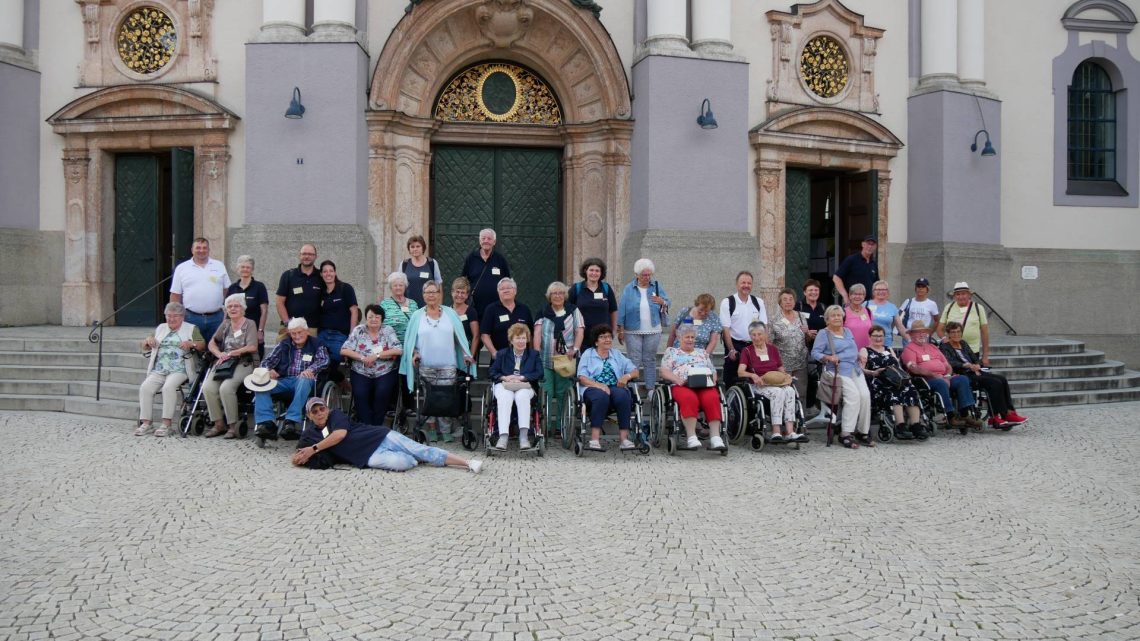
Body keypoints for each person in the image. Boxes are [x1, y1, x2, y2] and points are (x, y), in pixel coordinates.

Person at [292, 397, 482, 473]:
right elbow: (298, 453)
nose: (319, 413)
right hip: (366, 456)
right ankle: (416, 458)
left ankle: (467, 463)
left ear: (327, 408)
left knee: (420, 449)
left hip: (379, 436)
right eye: (314, 411)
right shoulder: (310, 434)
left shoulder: (336, 416)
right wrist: (299, 458)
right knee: (403, 464)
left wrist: (314, 449)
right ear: (308, 415)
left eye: (321, 408)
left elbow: (339, 435)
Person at [400, 281, 476, 442]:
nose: (431, 295)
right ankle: (432, 429)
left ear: (439, 294)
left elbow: (460, 338)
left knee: (446, 398)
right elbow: (411, 341)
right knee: (429, 398)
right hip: (426, 365)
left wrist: (466, 354)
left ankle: (446, 430)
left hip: (448, 364)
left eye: (434, 292)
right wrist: (414, 354)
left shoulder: (450, 314)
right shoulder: (417, 316)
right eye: (427, 292)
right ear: (423, 295)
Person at [250, 317, 330, 439]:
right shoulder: (284, 345)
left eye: (299, 332)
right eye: (293, 333)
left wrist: (310, 369)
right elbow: (266, 362)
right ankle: (266, 423)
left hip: (303, 381)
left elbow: (324, 360)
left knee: (304, 379)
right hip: (284, 380)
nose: (297, 336)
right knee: (261, 383)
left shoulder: (316, 344)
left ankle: (291, 421)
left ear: (306, 331)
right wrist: (268, 370)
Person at [940, 321, 1028, 428]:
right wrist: (968, 365)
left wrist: (977, 365)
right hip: (963, 374)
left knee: (1002, 379)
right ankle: (994, 417)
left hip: (976, 371)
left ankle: (1010, 413)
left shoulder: (963, 343)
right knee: (994, 383)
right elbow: (950, 362)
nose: (956, 334)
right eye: (953, 332)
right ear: (948, 334)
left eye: (958, 332)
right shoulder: (944, 347)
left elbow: (975, 358)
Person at [136, 302, 205, 437]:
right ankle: (146, 423)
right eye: (168, 316)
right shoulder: (161, 328)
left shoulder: (191, 328)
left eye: (175, 316)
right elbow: (145, 347)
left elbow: (202, 345)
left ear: (182, 317)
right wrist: (148, 341)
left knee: (169, 387)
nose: (171, 319)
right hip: (160, 368)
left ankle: (166, 425)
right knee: (145, 387)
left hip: (180, 368)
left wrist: (191, 343)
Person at [811, 305, 873, 449]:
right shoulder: (823, 333)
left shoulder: (848, 331)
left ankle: (862, 432)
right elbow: (815, 353)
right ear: (827, 319)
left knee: (865, 395)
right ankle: (845, 433)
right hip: (837, 370)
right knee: (854, 396)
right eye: (834, 316)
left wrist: (859, 355)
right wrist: (828, 357)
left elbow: (852, 349)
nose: (837, 318)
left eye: (839, 315)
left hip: (854, 368)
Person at [900, 321, 981, 429]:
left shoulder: (933, 347)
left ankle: (964, 414)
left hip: (943, 377)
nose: (921, 334)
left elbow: (947, 365)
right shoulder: (909, 349)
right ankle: (950, 416)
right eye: (917, 332)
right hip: (926, 380)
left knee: (963, 379)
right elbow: (913, 368)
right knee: (941, 383)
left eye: (923, 332)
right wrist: (933, 375)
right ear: (911, 334)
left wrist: (947, 375)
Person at [659, 324, 726, 450]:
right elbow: (664, 371)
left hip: (703, 384)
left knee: (712, 397)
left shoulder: (702, 353)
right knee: (689, 398)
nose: (690, 340)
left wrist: (712, 380)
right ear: (679, 338)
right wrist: (678, 380)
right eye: (687, 337)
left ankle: (716, 437)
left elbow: (713, 371)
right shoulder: (672, 352)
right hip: (682, 385)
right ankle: (691, 437)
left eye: (692, 337)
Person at [203, 293, 259, 439]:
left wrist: (234, 353)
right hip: (225, 361)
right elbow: (211, 343)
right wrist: (218, 354)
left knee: (226, 388)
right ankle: (218, 424)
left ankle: (232, 426)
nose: (233, 309)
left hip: (243, 361)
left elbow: (252, 346)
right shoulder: (226, 324)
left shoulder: (249, 323)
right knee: (207, 387)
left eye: (236, 306)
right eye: (229, 306)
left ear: (243, 308)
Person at [738, 322, 804, 443]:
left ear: (765, 334)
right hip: (759, 385)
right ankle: (776, 430)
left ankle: (790, 431)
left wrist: (786, 377)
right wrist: (752, 375)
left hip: (776, 381)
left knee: (789, 391)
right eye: (753, 335)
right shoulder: (747, 351)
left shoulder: (773, 349)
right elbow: (740, 372)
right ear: (750, 335)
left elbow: (780, 367)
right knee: (777, 392)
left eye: (760, 334)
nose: (757, 337)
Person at [577, 325, 640, 451]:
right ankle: (594, 439)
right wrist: (599, 385)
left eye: (609, 337)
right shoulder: (588, 354)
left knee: (623, 395)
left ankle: (624, 439)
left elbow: (635, 371)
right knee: (601, 396)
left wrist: (626, 376)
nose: (607, 339)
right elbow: (581, 377)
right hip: (592, 387)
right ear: (596, 341)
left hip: (614, 387)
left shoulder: (616, 354)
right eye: (602, 337)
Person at [533, 282, 584, 437]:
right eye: (554, 293)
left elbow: (579, 330)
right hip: (546, 359)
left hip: (565, 359)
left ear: (565, 295)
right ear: (549, 296)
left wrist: (575, 349)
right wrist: (535, 353)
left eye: (560, 293)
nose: (557, 296)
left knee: (563, 393)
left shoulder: (573, 310)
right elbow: (537, 333)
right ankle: (546, 426)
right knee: (546, 392)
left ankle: (561, 426)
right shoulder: (543, 311)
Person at [340, 304, 402, 427]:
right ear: (366, 318)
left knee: (382, 392)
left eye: (377, 317)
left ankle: (377, 425)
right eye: (370, 316)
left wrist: (377, 355)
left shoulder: (387, 330)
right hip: (361, 371)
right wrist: (362, 357)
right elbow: (344, 350)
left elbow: (398, 350)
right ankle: (366, 426)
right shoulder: (359, 330)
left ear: (382, 319)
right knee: (360, 393)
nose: (373, 319)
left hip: (384, 371)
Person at [861, 325, 926, 440]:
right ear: (869, 337)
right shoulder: (865, 350)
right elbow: (861, 369)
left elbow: (898, 365)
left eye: (880, 336)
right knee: (893, 391)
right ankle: (900, 426)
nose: (878, 338)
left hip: (895, 379)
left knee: (910, 389)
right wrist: (873, 372)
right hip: (878, 380)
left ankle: (915, 425)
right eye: (875, 336)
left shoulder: (888, 349)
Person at [489, 324, 544, 450]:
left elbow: (539, 373)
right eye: (518, 338)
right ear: (511, 340)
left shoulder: (533, 355)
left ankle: (523, 437)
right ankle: (503, 437)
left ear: (527, 339)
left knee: (522, 396)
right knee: (505, 396)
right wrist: (505, 377)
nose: (521, 341)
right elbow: (492, 372)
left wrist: (522, 377)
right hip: (505, 385)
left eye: (523, 338)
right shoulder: (502, 354)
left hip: (525, 385)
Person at [617, 258, 669, 390]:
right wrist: (620, 329)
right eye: (644, 275)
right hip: (632, 330)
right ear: (637, 275)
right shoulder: (629, 288)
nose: (647, 277)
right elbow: (622, 308)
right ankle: (633, 390)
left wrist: (662, 301)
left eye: (649, 274)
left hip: (653, 329)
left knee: (650, 359)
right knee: (633, 360)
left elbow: (668, 302)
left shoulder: (656, 286)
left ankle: (651, 389)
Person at [169, 237, 230, 344]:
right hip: (191, 318)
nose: (201, 250)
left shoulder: (219, 265)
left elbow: (227, 290)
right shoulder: (182, 268)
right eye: (198, 248)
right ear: (192, 250)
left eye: (204, 248)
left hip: (217, 318)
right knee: (194, 350)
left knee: (217, 348)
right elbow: (175, 295)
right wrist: (175, 316)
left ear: (209, 250)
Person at [720, 271, 767, 387]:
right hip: (735, 345)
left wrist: (764, 347)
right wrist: (731, 349)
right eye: (743, 283)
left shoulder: (758, 302)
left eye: (749, 283)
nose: (746, 285)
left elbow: (764, 327)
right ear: (737, 285)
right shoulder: (728, 302)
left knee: (754, 376)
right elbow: (726, 328)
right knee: (732, 377)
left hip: (753, 345)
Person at [460, 228, 511, 325]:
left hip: (496, 307)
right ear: (479, 241)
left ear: (494, 242)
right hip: (475, 307)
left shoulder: (500, 259)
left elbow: (507, 282)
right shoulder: (471, 258)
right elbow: (463, 280)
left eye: (489, 239)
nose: (486, 241)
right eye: (483, 238)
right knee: (476, 335)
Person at [769, 287, 811, 403]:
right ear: (780, 302)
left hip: (801, 363)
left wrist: (807, 332)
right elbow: (770, 344)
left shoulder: (801, 317)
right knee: (784, 394)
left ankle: (800, 419)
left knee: (801, 394)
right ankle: (786, 420)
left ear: (794, 301)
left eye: (791, 299)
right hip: (783, 365)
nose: (788, 302)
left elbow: (806, 339)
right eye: (785, 299)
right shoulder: (774, 320)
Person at [936, 282, 991, 366]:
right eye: (958, 294)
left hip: (972, 351)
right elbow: (940, 329)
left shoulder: (978, 308)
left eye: (963, 294)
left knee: (974, 376)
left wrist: (985, 356)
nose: (961, 296)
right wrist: (944, 338)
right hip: (954, 352)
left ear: (969, 295)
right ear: (954, 296)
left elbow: (985, 333)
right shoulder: (949, 307)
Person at [567, 257, 617, 349]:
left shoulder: (606, 288)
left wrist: (613, 330)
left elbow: (613, 310)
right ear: (585, 271)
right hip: (581, 335)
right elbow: (567, 309)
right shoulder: (577, 288)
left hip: (603, 336)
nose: (594, 273)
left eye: (597, 271)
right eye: (591, 270)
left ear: (601, 273)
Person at [275, 243, 322, 337]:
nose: (307, 256)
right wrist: (288, 323)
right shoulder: (288, 275)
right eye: (304, 254)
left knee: (310, 352)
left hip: (312, 328)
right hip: (289, 327)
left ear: (316, 256)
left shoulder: (321, 276)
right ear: (299, 255)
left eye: (310, 254)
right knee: (281, 351)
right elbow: (279, 302)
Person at [317, 260, 359, 365]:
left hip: (340, 335)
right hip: (323, 334)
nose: (328, 274)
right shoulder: (320, 292)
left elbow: (354, 311)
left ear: (335, 273)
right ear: (321, 274)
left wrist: (352, 334)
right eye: (325, 271)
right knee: (319, 361)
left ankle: (339, 381)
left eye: (331, 271)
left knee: (334, 361)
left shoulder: (345, 288)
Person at [226, 255, 269, 358]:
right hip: (235, 333)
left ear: (252, 270)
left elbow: (264, 311)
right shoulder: (232, 288)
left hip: (253, 331)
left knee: (254, 359)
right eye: (242, 267)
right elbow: (226, 311)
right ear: (238, 269)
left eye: (248, 267)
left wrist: (260, 331)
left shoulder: (259, 287)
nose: (245, 269)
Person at [480, 277, 534, 354]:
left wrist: (530, 354)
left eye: (509, 288)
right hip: (500, 358)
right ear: (498, 292)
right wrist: (494, 353)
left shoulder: (524, 309)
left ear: (515, 291)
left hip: (523, 358)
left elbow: (531, 334)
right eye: (502, 289)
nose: (506, 290)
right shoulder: (491, 309)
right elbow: (484, 335)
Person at [832, 235, 879, 305]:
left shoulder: (873, 264)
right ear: (862, 244)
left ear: (875, 247)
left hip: (869, 303)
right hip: (852, 302)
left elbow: (876, 284)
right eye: (868, 244)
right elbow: (836, 277)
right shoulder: (851, 260)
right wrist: (844, 295)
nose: (870, 246)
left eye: (873, 244)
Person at [401, 234, 442, 308]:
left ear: (423, 248)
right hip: (408, 306)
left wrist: (439, 306)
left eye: (418, 246)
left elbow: (438, 284)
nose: (415, 249)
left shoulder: (432, 263)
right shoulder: (404, 264)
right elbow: (400, 285)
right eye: (412, 247)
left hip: (429, 306)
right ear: (409, 249)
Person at [379, 271, 419, 346]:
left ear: (405, 286)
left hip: (411, 346)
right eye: (395, 285)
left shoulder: (413, 304)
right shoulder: (384, 304)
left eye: (401, 285)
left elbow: (418, 323)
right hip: (391, 346)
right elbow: (379, 325)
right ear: (391, 287)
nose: (398, 288)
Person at [867, 280, 908, 349]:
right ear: (873, 292)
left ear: (887, 292)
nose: (881, 292)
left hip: (886, 343)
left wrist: (910, 340)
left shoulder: (892, 307)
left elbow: (900, 327)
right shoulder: (866, 305)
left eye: (884, 289)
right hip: (868, 342)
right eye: (878, 289)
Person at [449, 276, 480, 353]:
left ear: (467, 295)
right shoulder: (446, 311)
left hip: (466, 353)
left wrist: (470, 356)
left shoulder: (471, 312)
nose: (459, 295)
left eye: (463, 292)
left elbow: (476, 336)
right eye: (457, 292)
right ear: (452, 292)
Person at [843, 283, 874, 351]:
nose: (857, 296)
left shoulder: (868, 312)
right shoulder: (843, 312)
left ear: (864, 296)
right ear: (850, 296)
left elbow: (872, 331)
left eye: (860, 294)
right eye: (854, 294)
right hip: (848, 352)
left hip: (867, 351)